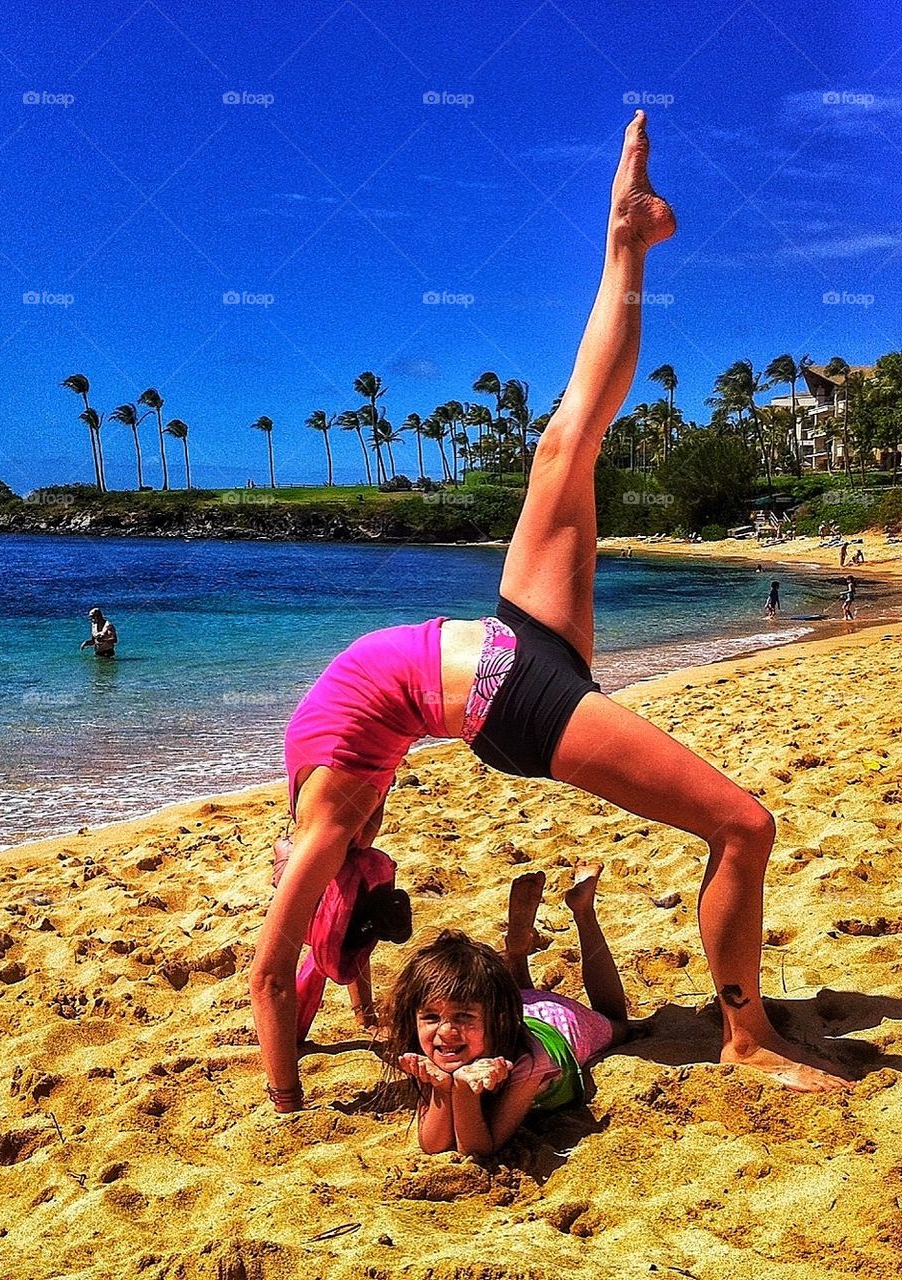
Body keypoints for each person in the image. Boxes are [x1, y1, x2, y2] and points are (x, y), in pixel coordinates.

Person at [249, 110, 848, 1116]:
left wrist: (331, 976)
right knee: (741, 823)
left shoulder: (320, 797)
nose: (369, 852)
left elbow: (294, 969)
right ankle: (743, 1033)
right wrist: (282, 1100)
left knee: (566, 439)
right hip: (507, 699)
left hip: (507, 652)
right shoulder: (329, 815)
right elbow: (270, 977)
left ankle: (626, 239)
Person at [386, 866, 627, 1155]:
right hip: (512, 1010)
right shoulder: (438, 1049)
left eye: (462, 1017)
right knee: (503, 994)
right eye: (431, 1017)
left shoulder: (529, 1062)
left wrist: (461, 1090)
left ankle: (583, 912)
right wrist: (441, 1086)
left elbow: (479, 1148)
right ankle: (516, 955)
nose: (447, 1031)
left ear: (499, 1019)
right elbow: (433, 1144)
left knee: (618, 1021)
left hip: (559, 1024)